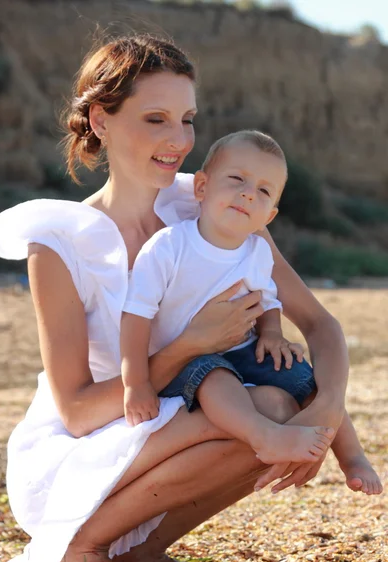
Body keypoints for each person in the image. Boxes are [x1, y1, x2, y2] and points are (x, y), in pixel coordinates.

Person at [0, 34, 374, 562]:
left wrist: (328, 410)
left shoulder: (218, 203)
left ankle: (143, 552)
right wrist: (191, 344)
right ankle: (79, 550)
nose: (179, 140)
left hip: (181, 416)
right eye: (156, 118)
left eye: (188, 119)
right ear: (101, 119)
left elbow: (322, 326)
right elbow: (75, 412)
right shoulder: (61, 243)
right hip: (89, 445)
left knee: (272, 404)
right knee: (253, 411)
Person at [121, 129, 382, 489]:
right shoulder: (169, 247)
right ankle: (264, 436)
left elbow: (266, 299)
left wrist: (272, 334)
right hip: (189, 361)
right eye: (237, 179)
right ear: (201, 188)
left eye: (263, 190)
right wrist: (136, 383)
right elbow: (135, 317)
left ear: (269, 215)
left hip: (243, 347)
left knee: (302, 376)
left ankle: (352, 457)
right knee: (215, 379)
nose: (248, 193)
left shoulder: (256, 250)